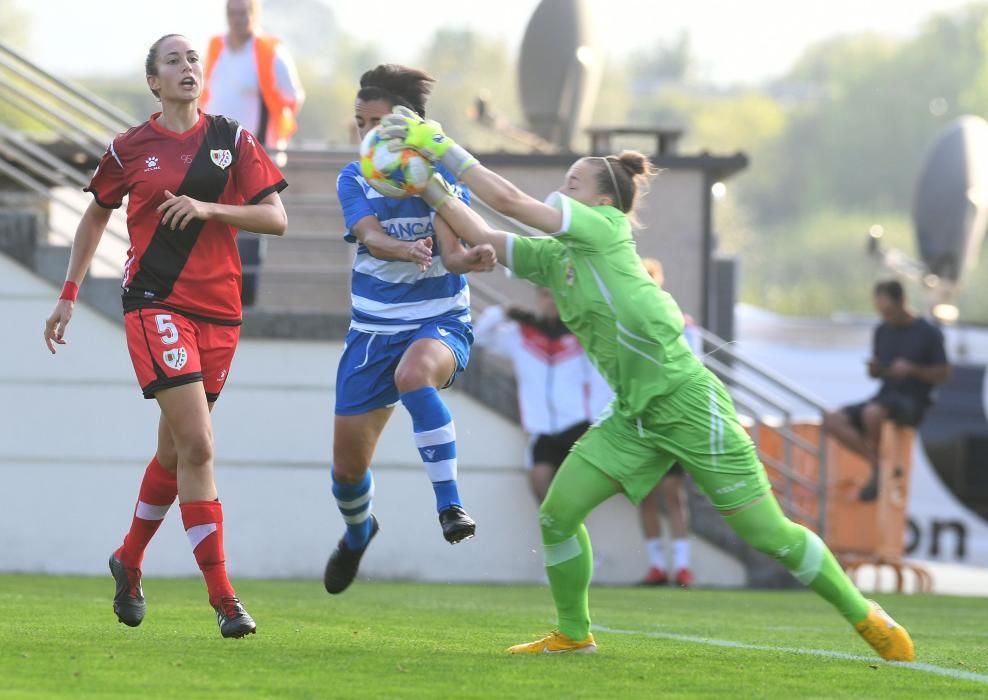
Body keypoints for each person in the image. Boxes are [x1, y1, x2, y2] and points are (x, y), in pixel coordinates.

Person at [380, 107, 915, 661]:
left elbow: (512, 204)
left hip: (687, 401)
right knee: (557, 514)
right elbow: (486, 232)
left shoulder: (605, 229)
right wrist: (431, 188)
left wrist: (440, 145)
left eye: (573, 182)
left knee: (769, 534)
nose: (562, 189)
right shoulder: (557, 257)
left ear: (604, 203)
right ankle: (572, 634)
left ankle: (866, 615)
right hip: (634, 415)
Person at [43, 34, 288, 639]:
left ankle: (128, 559)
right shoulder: (130, 148)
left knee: (176, 452)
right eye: (173, 60)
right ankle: (225, 600)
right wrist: (69, 295)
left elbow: (275, 218)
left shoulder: (232, 138)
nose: (187, 67)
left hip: (221, 312)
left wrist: (209, 210)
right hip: (155, 303)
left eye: (192, 59)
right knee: (200, 446)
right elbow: (97, 213)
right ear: (153, 81)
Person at [322, 65, 496, 596]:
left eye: (378, 123)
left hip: (436, 320)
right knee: (347, 471)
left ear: (409, 127)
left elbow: (451, 254)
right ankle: (358, 533)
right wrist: (403, 248)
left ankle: (450, 507)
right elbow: (371, 237)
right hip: (373, 331)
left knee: (415, 373)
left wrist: (474, 258)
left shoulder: (434, 181)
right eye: (360, 123)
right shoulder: (354, 178)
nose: (367, 134)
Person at [201, 0, 305, 306]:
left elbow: (292, 96)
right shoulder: (215, 47)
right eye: (232, 13)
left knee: (250, 222)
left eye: (243, 12)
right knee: (213, 217)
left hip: (255, 150)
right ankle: (211, 291)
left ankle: (243, 298)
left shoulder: (270, 51)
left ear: (254, 15)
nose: (237, 19)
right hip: (212, 151)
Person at [473, 286, 612, 503]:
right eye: (546, 295)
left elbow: (601, 380)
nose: (552, 301)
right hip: (542, 430)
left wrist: (597, 421)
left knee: (574, 498)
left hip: (578, 426)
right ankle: (562, 537)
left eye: (557, 294)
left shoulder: (581, 334)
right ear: (538, 298)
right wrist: (503, 311)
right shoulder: (522, 334)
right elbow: (479, 337)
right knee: (540, 486)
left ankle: (572, 534)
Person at [823, 280, 950, 501]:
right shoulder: (882, 330)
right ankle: (878, 464)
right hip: (885, 395)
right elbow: (878, 373)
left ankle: (884, 465)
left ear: (902, 302)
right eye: (882, 313)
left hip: (913, 400)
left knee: (872, 414)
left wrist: (912, 370)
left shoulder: (928, 332)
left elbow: (944, 373)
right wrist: (876, 369)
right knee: (832, 420)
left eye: (889, 312)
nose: (886, 318)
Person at [636, 257, 698, 587]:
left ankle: (683, 566)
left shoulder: (680, 323)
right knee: (645, 492)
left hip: (672, 416)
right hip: (639, 417)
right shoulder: (627, 324)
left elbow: (693, 366)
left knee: (672, 492)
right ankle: (657, 564)